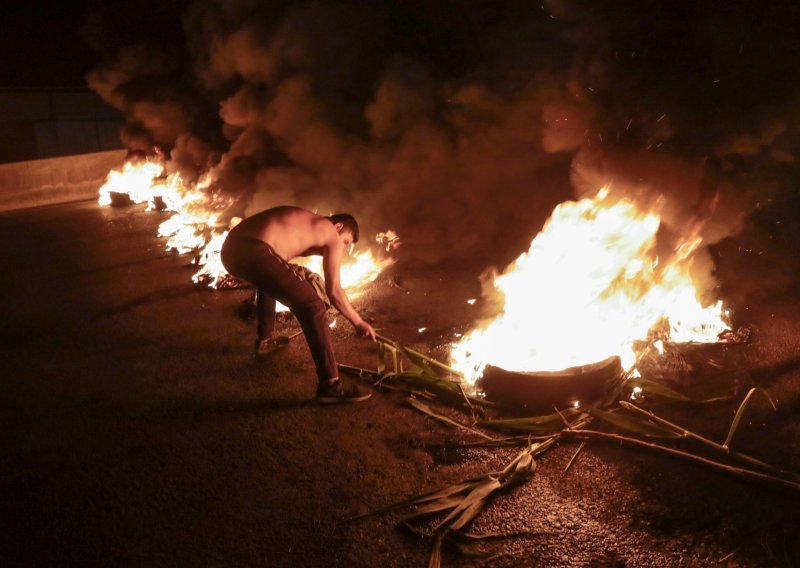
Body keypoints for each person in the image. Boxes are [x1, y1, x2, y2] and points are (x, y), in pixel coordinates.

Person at [221, 206, 376, 404]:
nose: (342, 248)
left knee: (271, 281)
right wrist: (359, 323)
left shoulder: (305, 225)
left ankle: (264, 340)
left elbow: (270, 279)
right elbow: (334, 291)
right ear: (338, 226)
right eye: (345, 242)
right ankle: (330, 386)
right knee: (313, 306)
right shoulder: (330, 232)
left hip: (232, 250)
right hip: (253, 248)